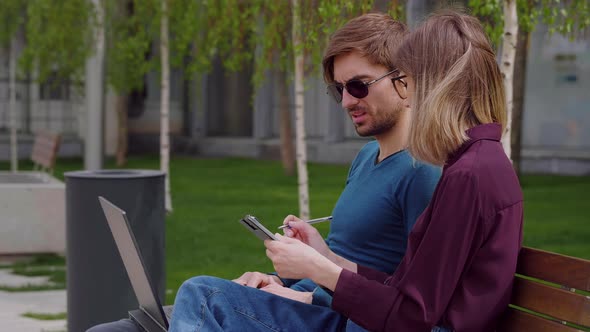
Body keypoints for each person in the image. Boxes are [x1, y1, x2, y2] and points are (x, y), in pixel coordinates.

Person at [167, 10, 524, 332]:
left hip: (358, 322)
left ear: (438, 86)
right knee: (177, 308)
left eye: (408, 82)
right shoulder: (477, 164)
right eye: (339, 89)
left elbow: (412, 315)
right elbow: (406, 291)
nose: (410, 98)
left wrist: (316, 275)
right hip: (356, 316)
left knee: (200, 298)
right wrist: (321, 261)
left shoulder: (463, 174)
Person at [87, 13, 441, 332]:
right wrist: (277, 283)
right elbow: (345, 260)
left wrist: (307, 298)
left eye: (359, 85)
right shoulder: (367, 158)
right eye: (339, 89)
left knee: (202, 295)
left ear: (404, 81)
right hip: (311, 300)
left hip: (337, 318)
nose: (347, 101)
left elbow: (410, 303)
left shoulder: (421, 172)